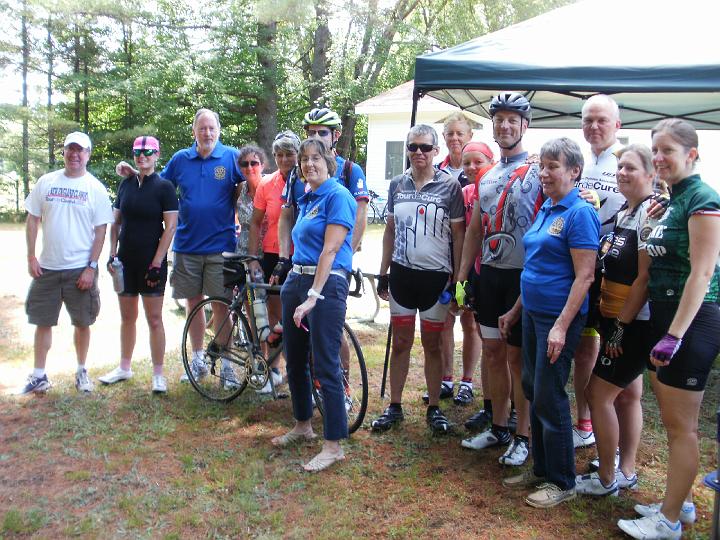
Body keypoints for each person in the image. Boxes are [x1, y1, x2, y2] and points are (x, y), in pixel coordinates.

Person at [618, 119, 720, 540]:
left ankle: (669, 521)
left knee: (682, 429)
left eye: (668, 151)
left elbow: (703, 274)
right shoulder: (672, 200)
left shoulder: (703, 199)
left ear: (691, 155)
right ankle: (681, 503)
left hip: (690, 322)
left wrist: (674, 335)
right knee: (674, 423)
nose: (658, 158)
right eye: (655, 150)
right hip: (665, 317)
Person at [500, 137, 598, 508]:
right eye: (542, 166)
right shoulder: (547, 207)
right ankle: (541, 468)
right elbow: (535, 268)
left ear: (574, 171)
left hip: (558, 318)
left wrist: (560, 325)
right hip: (533, 314)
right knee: (531, 386)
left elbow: (585, 276)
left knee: (549, 394)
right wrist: (515, 310)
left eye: (552, 166)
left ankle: (562, 480)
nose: (543, 173)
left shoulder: (579, 213)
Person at [119, 109, 244, 387]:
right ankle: (197, 361)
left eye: (212, 128)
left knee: (221, 305)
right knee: (193, 303)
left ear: (219, 130)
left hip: (222, 247)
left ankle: (227, 366)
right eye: (202, 128)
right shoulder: (180, 159)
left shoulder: (231, 157)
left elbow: (250, 185)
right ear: (194, 131)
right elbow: (157, 185)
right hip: (187, 245)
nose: (207, 133)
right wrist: (134, 173)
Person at [456, 92, 541, 467]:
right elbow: (474, 229)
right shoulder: (487, 175)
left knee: (517, 358)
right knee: (492, 352)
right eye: (499, 120)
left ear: (525, 125)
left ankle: (524, 435)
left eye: (512, 120)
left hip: (522, 277)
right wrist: (462, 277)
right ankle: (499, 426)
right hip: (489, 275)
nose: (505, 126)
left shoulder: (539, 169)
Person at [370, 124, 465, 435]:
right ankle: (394, 405)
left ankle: (435, 407)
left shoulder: (450, 186)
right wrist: (383, 272)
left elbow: (459, 235)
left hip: (436, 277)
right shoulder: (397, 184)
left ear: (436, 150)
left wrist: (458, 278)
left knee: (433, 344)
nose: (419, 152)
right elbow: (389, 231)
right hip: (402, 275)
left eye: (425, 147)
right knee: (400, 342)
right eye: (413, 147)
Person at [575, 145, 656, 497]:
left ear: (651, 174)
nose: (622, 173)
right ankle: (626, 470)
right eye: (620, 167)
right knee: (627, 395)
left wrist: (621, 327)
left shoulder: (650, 213)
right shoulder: (626, 212)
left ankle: (607, 478)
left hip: (632, 322)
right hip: (613, 317)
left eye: (631, 168)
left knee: (597, 394)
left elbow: (645, 278)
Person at [271, 138, 356, 473]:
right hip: (297, 278)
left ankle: (333, 445)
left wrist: (313, 296)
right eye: (304, 159)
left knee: (325, 363)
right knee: (294, 360)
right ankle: (302, 425)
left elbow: (330, 250)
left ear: (328, 161)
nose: (309, 164)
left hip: (327, 284)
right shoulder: (307, 197)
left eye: (315, 158)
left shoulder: (338, 196)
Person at [19, 131, 114, 394]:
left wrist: (91, 267)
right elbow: (32, 219)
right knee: (43, 322)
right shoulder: (46, 182)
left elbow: (101, 231)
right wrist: (31, 256)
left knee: (82, 323)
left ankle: (82, 371)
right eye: (70, 149)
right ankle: (39, 375)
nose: (74, 154)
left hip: (79, 269)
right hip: (47, 267)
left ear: (88, 154)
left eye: (80, 150)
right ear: (64, 152)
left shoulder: (95, 188)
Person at [99, 136, 178, 393]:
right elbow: (116, 222)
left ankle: (158, 374)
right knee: (127, 317)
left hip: (152, 263)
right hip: (126, 261)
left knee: (154, 319)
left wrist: (156, 262)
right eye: (137, 152)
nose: (142, 156)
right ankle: (124, 367)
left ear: (157, 155)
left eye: (148, 152)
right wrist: (112, 253)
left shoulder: (165, 187)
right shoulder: (126, 185)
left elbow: (171, 227)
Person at [571, 94, 625, 449]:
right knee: (584, 348)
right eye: (587, 120)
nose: (593, 126)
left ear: (617, 124)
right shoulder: (580, 160)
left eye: (601, 120)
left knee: (617, 359)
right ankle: (584, 424)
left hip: (619, 270)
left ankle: (615, 442)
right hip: (584, 265)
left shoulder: (627, 159)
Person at [272, 108, 369, 286]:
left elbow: (360, 217)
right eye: (311, 133)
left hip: (333, 268)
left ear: (336, 135)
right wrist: (283, 258)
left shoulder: (350, 170)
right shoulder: (297, 172)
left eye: (322, 132)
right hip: (302, 266)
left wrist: (344, 257)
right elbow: (286, 216)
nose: (316, 137)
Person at [429, 113, 483, 405]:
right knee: (444, 319)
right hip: (442, 253)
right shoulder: (436, 170)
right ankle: (446, 379)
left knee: (470, 322)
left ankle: (468, 381)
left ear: (470, 136)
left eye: (460, 133)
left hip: (472, 257)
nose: (454, 138)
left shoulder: (478, 168)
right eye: (450, 133)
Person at [248, 130, 301, 393]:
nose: (283, 159)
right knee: (274, 315)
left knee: (296, 316)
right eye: (279, 155)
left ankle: (298, 372)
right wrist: (252, 258)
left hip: (299, 255)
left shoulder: (307, 181)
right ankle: (274, 369)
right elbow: (255, 222)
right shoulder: (266, 184)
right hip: (271, 255)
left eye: (289, 154)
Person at [235, 145, 267, 255]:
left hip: (267, 254)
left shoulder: (271, 186)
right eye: (245, 164)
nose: (249, 168)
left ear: (262, 166)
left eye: (254, 163)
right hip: (242, 253)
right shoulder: (240, 188)